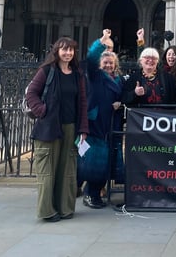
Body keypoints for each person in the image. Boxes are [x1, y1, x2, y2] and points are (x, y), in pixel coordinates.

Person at [25, 37, 89, 222]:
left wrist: (83, 128)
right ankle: (47, 211)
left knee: (67, 170)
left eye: (71, 50)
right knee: (47, 171)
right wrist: (41, 110)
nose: (68, 53)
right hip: (49, 127)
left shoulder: (77, 74)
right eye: (64, 49)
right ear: (57, 51)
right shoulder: (47, 71)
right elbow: (31, 93)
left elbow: (82, 103)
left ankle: (65, 209)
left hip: (70, 127)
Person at [81, 29, 124, 209]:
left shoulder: (119, 79)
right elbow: (91, 58)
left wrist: (119, 104)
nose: (108, 65)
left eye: (111, 63)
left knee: (108, 162)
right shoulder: (95, 75)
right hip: (96, 123)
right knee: (94, 163)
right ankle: (91, 194)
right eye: (105, 62)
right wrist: (101, 42)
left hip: (112, 125)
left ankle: (98, 191)